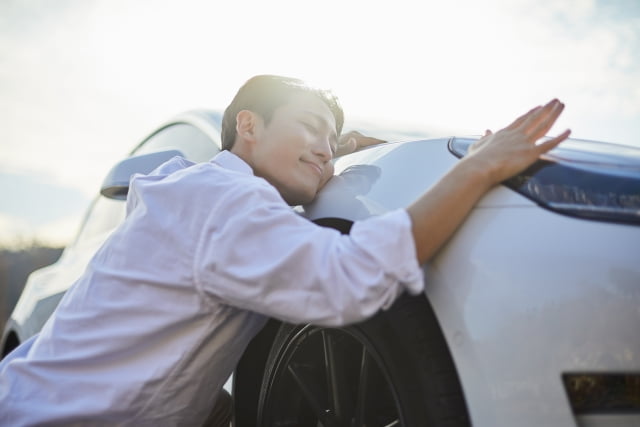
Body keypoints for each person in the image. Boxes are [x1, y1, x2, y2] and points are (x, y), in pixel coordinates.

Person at [0, 75, 570, 426]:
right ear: (248, 124)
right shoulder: (225, 199)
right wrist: (480, 166)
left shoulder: (198, 196)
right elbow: (348, 278)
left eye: (333, 140)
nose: (325, 151)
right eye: (309, 127)